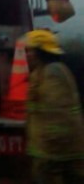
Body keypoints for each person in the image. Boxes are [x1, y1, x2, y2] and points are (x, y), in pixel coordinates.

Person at [24, 29, 84, 183]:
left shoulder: (53, 72)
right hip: (50, 147)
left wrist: (51, 147)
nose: (27, 55)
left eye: (30, 51)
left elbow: (55, 113)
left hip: (55, 148)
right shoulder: (42, 71)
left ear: (41, 52)